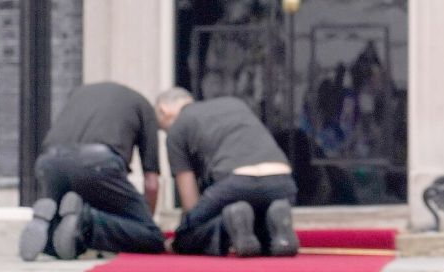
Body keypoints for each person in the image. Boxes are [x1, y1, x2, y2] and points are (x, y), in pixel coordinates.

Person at [18, 82, 166, 261]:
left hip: (49, 162)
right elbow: (151, 184)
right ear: (163, 110)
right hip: (98, 164)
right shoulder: (145, 106)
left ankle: (48, 226)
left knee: (65, 229)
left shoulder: (78, 94)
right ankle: (85, 221)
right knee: (151, 237)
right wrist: (141, 224)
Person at [154, 88, 299, 257]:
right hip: (282, 184)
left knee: (186, 235)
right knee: (255, 220)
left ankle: (227, 225)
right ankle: (276, 227)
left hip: (235, 183)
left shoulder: (177, 128)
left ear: (163, 110)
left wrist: (184, 233)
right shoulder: (234, 104)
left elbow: (190, 203)